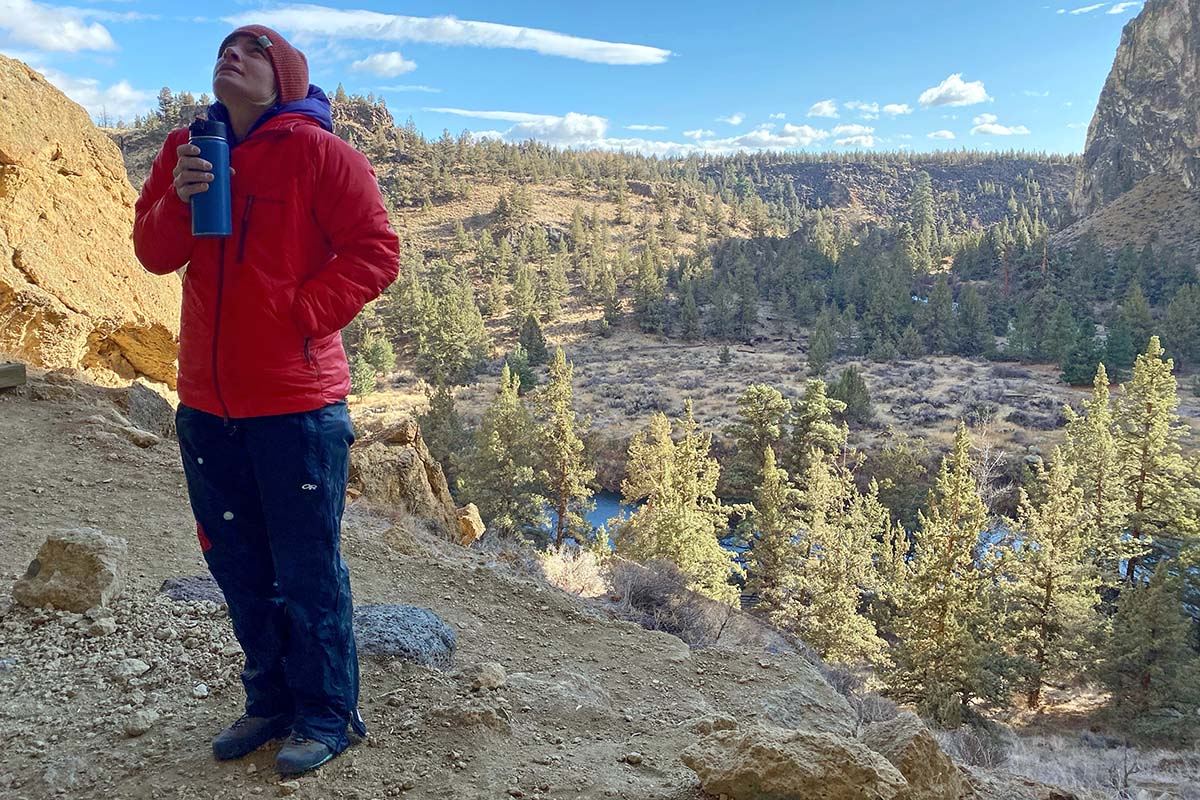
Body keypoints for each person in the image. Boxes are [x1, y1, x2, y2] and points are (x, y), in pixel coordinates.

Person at [132, 25, 400, 776]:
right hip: (206, 404)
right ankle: (271, 701)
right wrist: (180, 200)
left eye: (250, 49)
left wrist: (302, 314)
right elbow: (153, 254)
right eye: (224, 48)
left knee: (306, 567)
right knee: (239, 565)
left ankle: (328, 713)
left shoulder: (320, 153)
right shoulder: (186, 150)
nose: (231, 55)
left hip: (296, 405)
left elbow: (377, 250)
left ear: (281, 76)